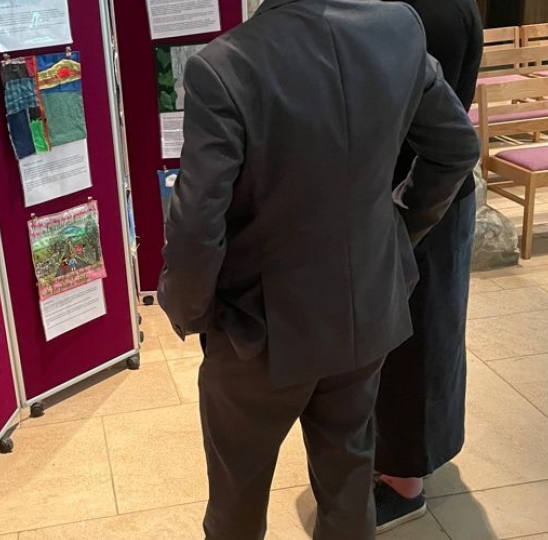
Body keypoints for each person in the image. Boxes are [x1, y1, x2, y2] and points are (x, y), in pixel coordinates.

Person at [157, 0, 480, 538]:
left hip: (257, 329)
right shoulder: (399, 27)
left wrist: (187, 309)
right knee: (349, 478)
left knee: (238, 493)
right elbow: (456, 147)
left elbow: (196, 225)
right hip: (365, 311)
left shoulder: (225, 64)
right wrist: (402, 232)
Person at [374, 0, 484, 533]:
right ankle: (397, 461)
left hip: (422, 197)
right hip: (430, 194)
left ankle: (404, 482)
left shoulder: (424, 13)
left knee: (416, 345)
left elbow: (428, 128)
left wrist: (405, 213)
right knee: (421, 337)